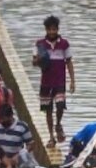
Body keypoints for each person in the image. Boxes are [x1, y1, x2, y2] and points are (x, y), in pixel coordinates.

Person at [31, 15, 76, 148]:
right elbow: (34, 62)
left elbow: (69, 62)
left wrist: (72, 81)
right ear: (46, 29)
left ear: (57, 29)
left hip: (59, 82)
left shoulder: (64, 44)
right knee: (48, 110)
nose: (52, 32)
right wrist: (38, 60)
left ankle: (58, 124)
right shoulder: (40, 44)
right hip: (46, 82)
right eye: (49, 30)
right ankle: (51, 137)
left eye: (54, 29)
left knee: (60, 105)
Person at [0, 103, 33, 168]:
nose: (2, 121)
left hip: (16, 167)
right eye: (0, 119)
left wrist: (19, 155)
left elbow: (30, 144)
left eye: (4, 119)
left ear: (11, 116)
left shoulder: (22, 127)